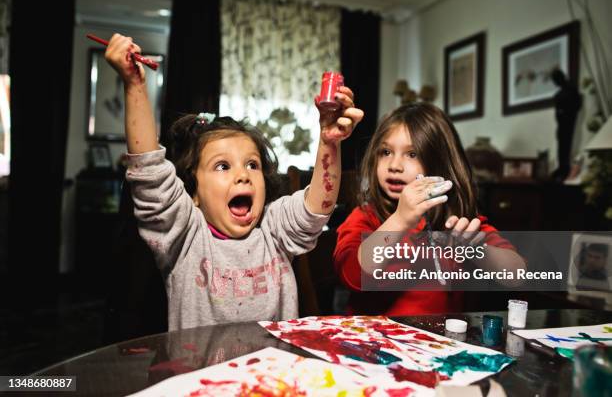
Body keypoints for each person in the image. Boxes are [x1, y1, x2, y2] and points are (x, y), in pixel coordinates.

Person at [104, 34, 364, 330]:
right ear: (194, 194)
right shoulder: (185, 235)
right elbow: (150, 172)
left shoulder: (273, 229)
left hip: (270, 374)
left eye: (252, 164)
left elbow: (316, 207)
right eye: (222, 166)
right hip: (201, 374)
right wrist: (135, 86)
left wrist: (330, 142)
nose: (243, 174)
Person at [333, 102, 526, 315]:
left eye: (412, 154)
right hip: (373, 340)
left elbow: (516, 275)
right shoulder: (366, 216)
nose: (394, 165)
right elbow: (352, 275)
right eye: (386, 152)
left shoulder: (456, 221)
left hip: (440, 343)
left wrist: (477, 250)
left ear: (440, 162)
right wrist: (400, 220)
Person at [551, 68, 582, 182]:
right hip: (561, 123)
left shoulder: (570, 90)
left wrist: (564, 111)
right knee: (561, 146)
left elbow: (577, 105)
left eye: (555, 80)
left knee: (565, 146)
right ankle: (561, 168)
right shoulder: (560, 94)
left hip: (568, 122)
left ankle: (564, 169)